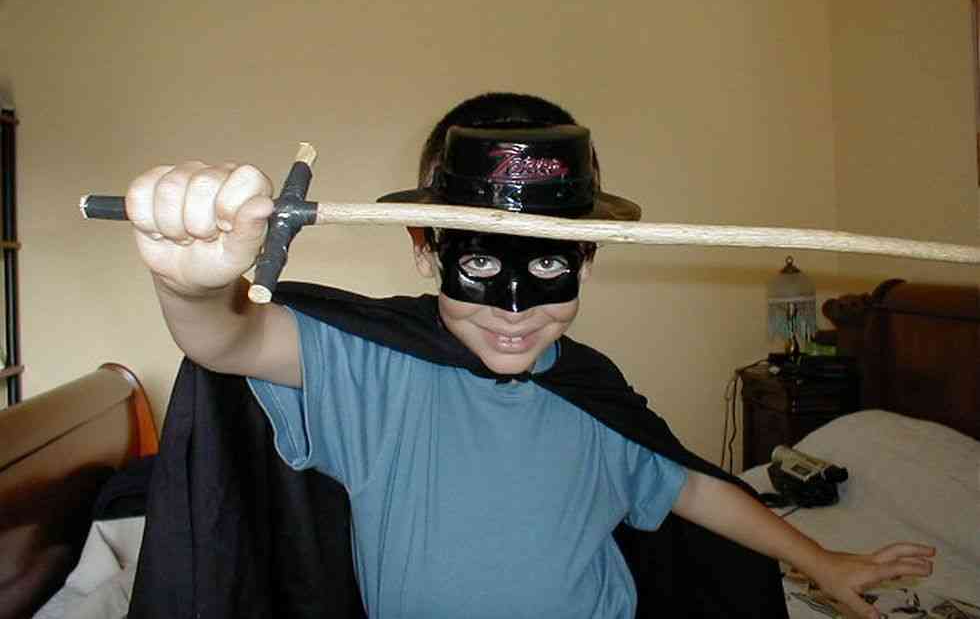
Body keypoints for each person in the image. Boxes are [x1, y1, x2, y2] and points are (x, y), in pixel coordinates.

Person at [125, 92, 933, 619]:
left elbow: (693, 487)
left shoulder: (592, 394)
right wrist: (188, 284)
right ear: (427, 249)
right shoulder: (370, 369)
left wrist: (822, 560)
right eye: (479, 263)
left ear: (587, 258)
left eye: (548, 265)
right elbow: (227, 339)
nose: (514, 312)